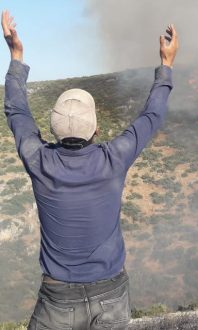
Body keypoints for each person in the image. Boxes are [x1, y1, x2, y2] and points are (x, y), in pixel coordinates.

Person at [2, 9, 179, 329]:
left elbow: (17, 112)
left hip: (57, 300)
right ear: (96, 128)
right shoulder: (113, 158)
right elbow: (151, 117)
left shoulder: (39, 160)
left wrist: (16, 57)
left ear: (54, 131)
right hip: (111, 293)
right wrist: (166, 65)